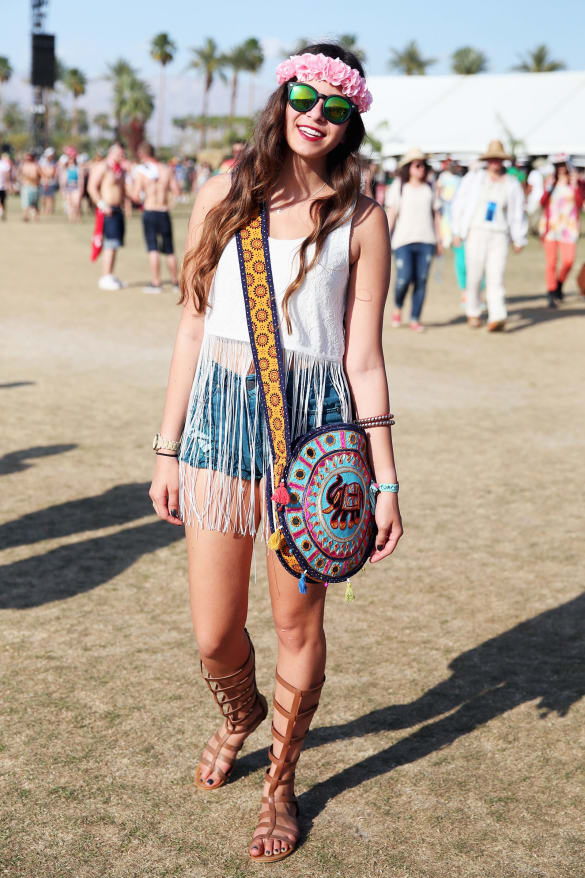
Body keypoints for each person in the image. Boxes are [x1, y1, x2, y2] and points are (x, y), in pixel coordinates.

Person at [149, 42, 403, 863]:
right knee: (215, 635)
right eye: (303, 96)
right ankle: (237, 714)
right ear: (281, 95)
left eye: (334, 107)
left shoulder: (362, 218)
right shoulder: (223, 192)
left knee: (297, 622)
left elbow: (363, 358)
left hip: (317, 437)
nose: (314, 116)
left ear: (351, 119)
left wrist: (386, 480)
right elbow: (191, 323)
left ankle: (281, 782)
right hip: (221, 421)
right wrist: (165, 447)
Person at [451, 139, 527, 332]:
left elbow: (517, 212)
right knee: (474, 275)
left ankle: (497, 315)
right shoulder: (475, 178)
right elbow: (460, 203)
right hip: (476, 230)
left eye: (498, 159)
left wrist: (519, 238)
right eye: (492, 159)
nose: (495, 163)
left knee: (496, 275)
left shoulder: (511, 183)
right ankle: (473, 311)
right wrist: (458, 231)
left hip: (499, 233)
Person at [385, 147, 442, 332]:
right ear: (408, 167)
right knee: (404, 278)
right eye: (417, 165)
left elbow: (436, 215)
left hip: (426, 240)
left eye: (423, 165)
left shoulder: (430, 188)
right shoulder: (399, 187)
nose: (421, 169)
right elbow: (391, 213)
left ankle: (415, 318)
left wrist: (439, 239)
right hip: (403, 241)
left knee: (422, 280)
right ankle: (398, 306)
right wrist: (384, 236)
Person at [131, 142, 181, 294]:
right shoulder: (166, 170)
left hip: (150, 210)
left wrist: (140, 198)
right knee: (169, 249)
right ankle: (175, 282)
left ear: (142, 154)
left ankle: (156, 282)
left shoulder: (142, 171)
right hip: (164, 211)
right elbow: (177, 191)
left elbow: (135, 195)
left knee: (153, 248)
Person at [540, 155, 584, 308]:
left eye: (562, 164)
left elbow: (579, 203)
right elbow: (542, 202)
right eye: (557, 164)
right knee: (551, 262)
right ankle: (551, 292)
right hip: (551, 227)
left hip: (569, 228)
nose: (560, 167)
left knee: (568, 260)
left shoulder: (577, 183)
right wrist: (549, 187)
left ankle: (559, 283)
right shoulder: (550, 181)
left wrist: (576, 186)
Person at [87, 143, 127, 291]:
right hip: (107, 210)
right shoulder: (103, 167)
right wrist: (102, 205)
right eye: (120, 154)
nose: (122, 157)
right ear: (112, 153)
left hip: (117, 210)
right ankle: (105, 276)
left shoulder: (120, 170)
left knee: (115, 244)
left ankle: (110, 274)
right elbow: (91, 187)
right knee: (109, 244)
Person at [19, 153, 41, 222]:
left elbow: (40, 175)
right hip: (26, 186)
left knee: (34, 204)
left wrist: (31, 178)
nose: (28, 159)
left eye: (29, 158)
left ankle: (35, 218)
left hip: (34, 186)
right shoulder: (23, 165)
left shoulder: (36, 166)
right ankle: (25, 216)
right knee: (26, 203)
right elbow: (19, 174)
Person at [39, 147, 58, 215]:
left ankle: (50, 210)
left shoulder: (54, 162)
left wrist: (50, 175)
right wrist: (46, 176)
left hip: (51, 182)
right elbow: (40, 170)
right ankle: (43, 209)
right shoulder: (42, 161)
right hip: (43, 182)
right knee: (43, 197)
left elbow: (54, 171)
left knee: (51, 197)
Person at [0, 151, 12, 221]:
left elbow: (7, 176)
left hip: (3, 186)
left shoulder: (5, 165)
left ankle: (3, 213)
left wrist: (8, 185)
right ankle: (1, 212)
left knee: (3, 201)